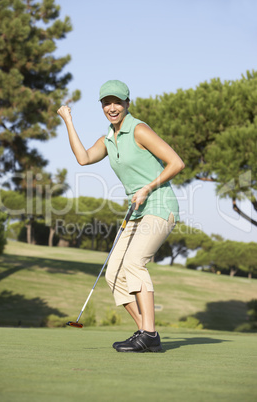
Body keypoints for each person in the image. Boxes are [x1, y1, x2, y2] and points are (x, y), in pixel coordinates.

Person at [57, 80, 185, 353]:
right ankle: (146, 331)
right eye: (106, 102)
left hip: (160, 205)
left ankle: (148, 333)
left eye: (117, 102)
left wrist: (147, 187)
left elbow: (177, 162)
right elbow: (83, 158)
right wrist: (68, 120)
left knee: (134, 263)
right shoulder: (108, 139)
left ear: (127, 103)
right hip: (137, 212)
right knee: (114, 272)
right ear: (102, 106)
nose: (112, 107)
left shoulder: (139, 130)